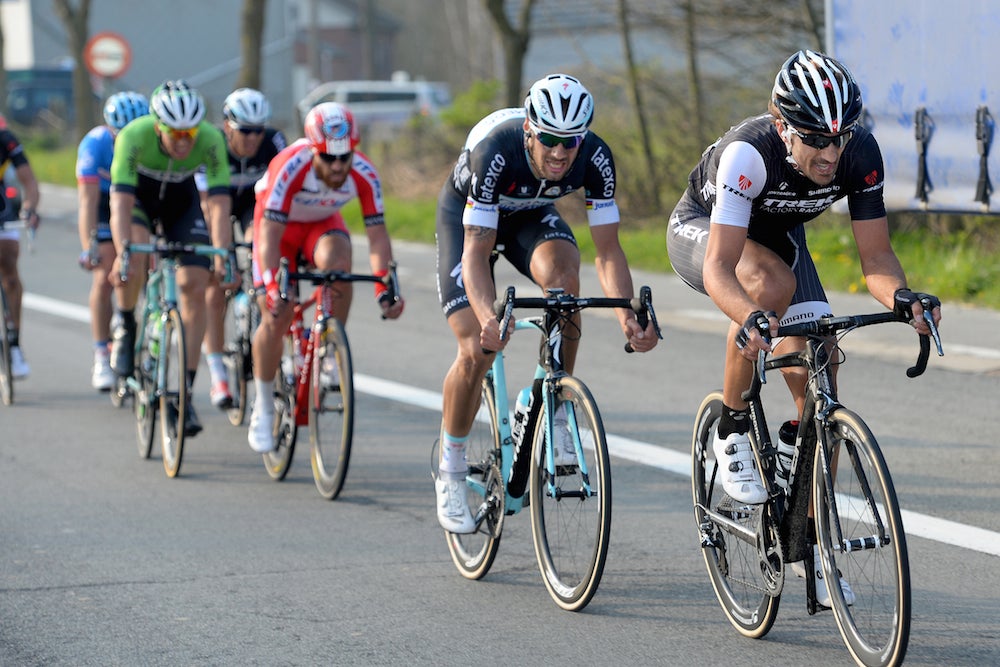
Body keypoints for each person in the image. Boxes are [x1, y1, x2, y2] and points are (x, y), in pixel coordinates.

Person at [665, 50, 942, 606]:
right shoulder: (748, 153)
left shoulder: (859, 153)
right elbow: (722, 267)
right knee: (767, 289)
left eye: (840, 137)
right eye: (817, 138)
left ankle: (808, 545)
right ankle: (732, 425)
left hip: (781, 240)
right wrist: (749, 318)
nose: (831, 152)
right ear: (782, 125)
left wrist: (905, 297)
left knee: (823, 385)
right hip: (707, 233)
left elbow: (877, 260)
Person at [433, 73, 660, 534]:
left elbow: (609, 251)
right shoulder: (495, 151)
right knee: (477, 349)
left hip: (530, 216)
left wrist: (626, 315)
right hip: (469, 220)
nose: (559, 153)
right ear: (530, 132)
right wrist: (486, 319)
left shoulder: (596, 158)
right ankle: (451, 470)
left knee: (565, 284)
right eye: (550, 141)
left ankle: (551, 402)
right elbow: (476, 254)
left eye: (570, 142)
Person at [247, 101, 404, 453]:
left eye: (344, 157)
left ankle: (328, 344)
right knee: (276, 312)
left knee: (339, 263)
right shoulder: (289, 166)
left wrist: (385, 286)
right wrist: (272, 284)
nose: (337, 166)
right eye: (328, 158)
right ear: (313, 150)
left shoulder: (364, 172)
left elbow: (377, 236)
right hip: (278, 230)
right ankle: (262, 403)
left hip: (320, 226)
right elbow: (268, 237)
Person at [109, 80, 237, 437]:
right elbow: (119, 202)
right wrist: (122, 253)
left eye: (190, 133)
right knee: (134, 253)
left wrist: (222, 254)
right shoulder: (133, 137)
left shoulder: (211, 140)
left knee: (194, 285)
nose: (184, 141)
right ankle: (125, 325)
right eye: (175, 133)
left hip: (182, 204)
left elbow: (220, 203)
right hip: (140, 202)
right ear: (157, 127)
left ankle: (185, 393)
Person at [197, 87, 287, 410]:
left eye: (258, 130)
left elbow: (280, 193)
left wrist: (257, 248)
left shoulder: (274, 142)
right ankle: (218, 370)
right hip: (214, 204)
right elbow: (210, 208)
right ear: (227, 126)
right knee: (217, 281)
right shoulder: (212, 145)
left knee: (259, 246)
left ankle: (256, 315)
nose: (252, 138)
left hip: (254, 203)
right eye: (245, 131)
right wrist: (224, 259)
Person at [76, 90, 150, 391]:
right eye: (121, 133)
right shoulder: (95, 144)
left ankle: (141, 328)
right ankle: (100, 351)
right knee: (105, 275)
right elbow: (87, 202)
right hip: (105, 205)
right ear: (110, 129)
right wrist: (88, 246)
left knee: (146, 264)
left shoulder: (148, 141)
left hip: (136, 202)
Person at [0, 115, 42, 379]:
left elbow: (30, 182)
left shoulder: (6, 139)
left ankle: (13, 343)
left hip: (1, 207)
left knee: (9, 267)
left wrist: (29, 209)